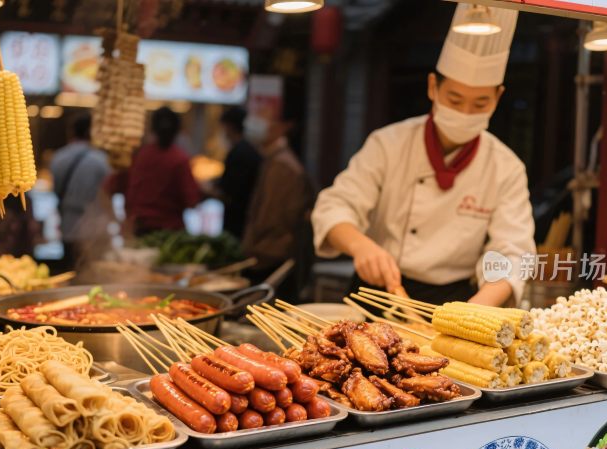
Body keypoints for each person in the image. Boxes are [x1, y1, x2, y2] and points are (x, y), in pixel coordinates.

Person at [311, 5, 535, 306]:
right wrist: (362, 247)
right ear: (433, 87)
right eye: (454, 99)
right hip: (377, 293)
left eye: (480, 103)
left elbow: (513, 251)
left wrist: (473, 312)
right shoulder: (388, 144)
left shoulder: (506, 167)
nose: (465, 113)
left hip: (455, 301)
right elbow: (334, 207)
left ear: (498, 97)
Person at [241, 105, 313, 298]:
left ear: (284, 126)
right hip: (267, 255)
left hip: (271, 258)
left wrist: (251, 249)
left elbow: (270, 218)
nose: (255, 121)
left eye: (264, 116)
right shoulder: (273, 159)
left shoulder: (283, 166)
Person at [108, 107, 201, 236]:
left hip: (138, 230)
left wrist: (119, 221)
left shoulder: (139, 156)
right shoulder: (180, 160)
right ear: (177, 131)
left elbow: (110, 186)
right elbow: (192, 201)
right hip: (169, 234)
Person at [50, 113, 111, 269]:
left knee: (71, 272)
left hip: (67, 227)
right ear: (91, 132)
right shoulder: (101, 160)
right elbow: (107, 195)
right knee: (95, 275)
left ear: (72, 132)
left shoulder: (58, 158)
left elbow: (55, 190)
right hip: (94, 231)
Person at [214, 107, 262, 239]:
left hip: (237, 222)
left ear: (229, 126)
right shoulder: (250, 149)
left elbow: (228, 192)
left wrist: (208, 191)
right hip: (247, 220)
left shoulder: (238, 153)